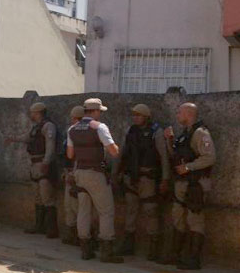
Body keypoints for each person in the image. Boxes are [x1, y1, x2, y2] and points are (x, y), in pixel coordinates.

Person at [67, 98, 124, 263]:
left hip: (79, 173)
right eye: (100, 112)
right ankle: (106, 252)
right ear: (96, 111)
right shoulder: (99, 127)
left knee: (83, 210)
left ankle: (85, 249)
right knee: (106, 211)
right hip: (95, 173)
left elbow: (70, 155)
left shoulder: (72, 129)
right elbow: (113, 152)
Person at [161, 103, 215, 270]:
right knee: (178, 217)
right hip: (182, 184)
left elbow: (210, 157)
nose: (177, 114)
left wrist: (188, 167)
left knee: (195, 220)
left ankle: (193, 259)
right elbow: (176, 156)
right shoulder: (185, 134)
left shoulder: (200, 133)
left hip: (195, 184)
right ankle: (176, 255)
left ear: (189, 113)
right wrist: (169, 140)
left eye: (179, 111)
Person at [116, 104, 170, 260]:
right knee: (131, 210)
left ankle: (154, 247)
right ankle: (128, 244)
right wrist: (116, 172)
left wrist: (165, 179)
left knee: (151, 210)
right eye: (134, 115)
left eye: (138, 115)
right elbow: (123, 153)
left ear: (146, 116)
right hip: (131, 177)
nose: (135, 118)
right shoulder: (131, 131)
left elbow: (163, 157)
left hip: (148, 178)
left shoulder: (156, 132)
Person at [6, 102, 59, 239]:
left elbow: (50, 146)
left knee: (47, 196)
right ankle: (39, 226)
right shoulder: (36, 127)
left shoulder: (48, 126)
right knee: (38, 196)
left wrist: (46, 162)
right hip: (35, 164)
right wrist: (13, 139)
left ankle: (51, 229)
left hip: (42, 163)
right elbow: (27, 138)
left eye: (32, 113)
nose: (31, 115)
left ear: (38, 113)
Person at [61, 105, 85, 246]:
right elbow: (65, 156)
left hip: (79, 173)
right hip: (69, 172)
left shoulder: (84, 135)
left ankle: (79, 236)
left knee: (77, 206)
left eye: (75, 119)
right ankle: (71, 233)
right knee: (68, 205)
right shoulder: (71, 133)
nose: (72, 121)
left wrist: (74, 174)